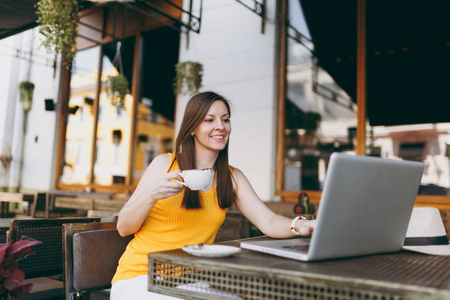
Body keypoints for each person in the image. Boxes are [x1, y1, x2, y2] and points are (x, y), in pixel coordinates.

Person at [110, 91, 316, 299]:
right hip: (140, 278)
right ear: (192, 129)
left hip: (191, 282)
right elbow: (124, 228)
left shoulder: (232, 177)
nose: (221, 126)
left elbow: (269, 221)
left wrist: (300, 225)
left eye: (225, 119)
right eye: (210, 120)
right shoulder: (166, 164)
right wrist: (151, 195)